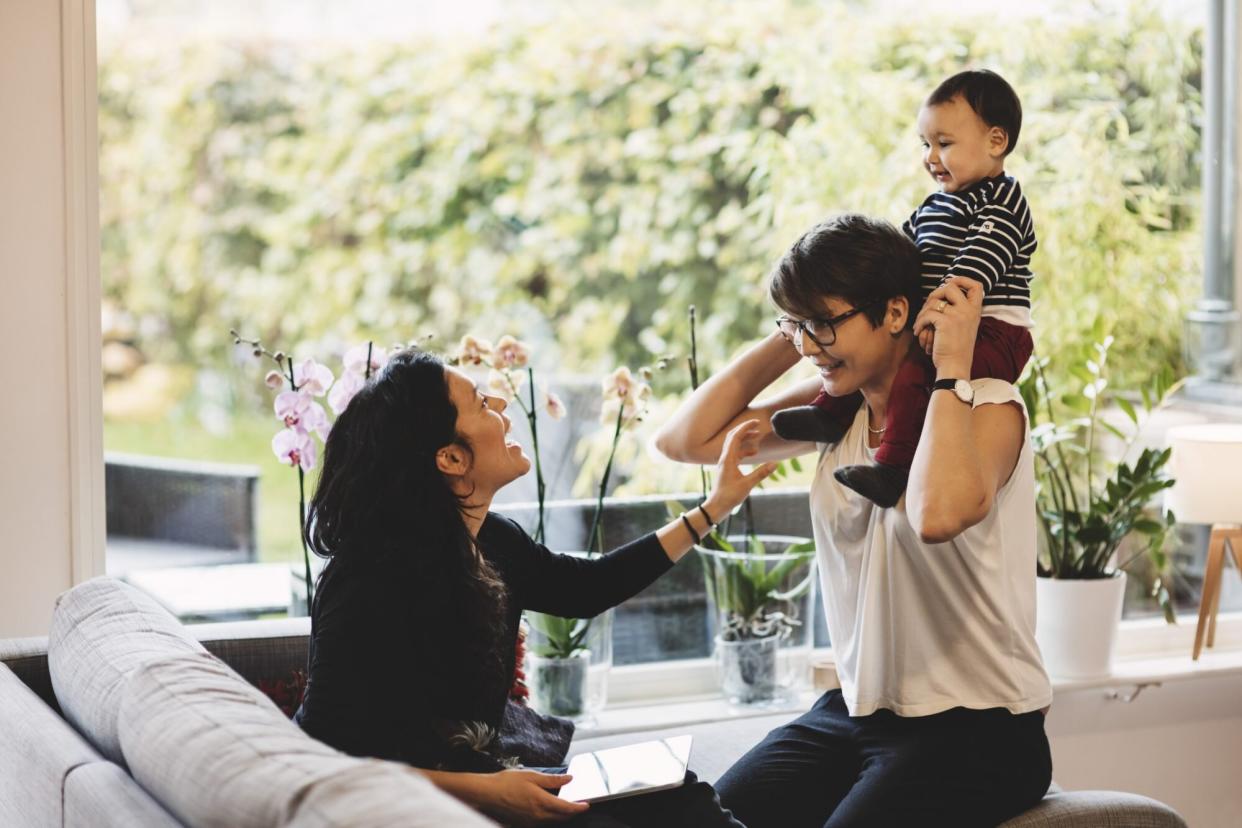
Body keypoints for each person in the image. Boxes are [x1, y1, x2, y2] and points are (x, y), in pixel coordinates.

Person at [655, 214, 1053, 827]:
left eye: (825, 322)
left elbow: (935, 514)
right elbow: (685, 439)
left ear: (896, 313)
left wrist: (949, 368)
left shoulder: (987, 405)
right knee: (697, 821)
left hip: (980, 728)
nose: (810, 345)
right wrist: (800, 330)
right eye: (800, 325)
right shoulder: (836, 415)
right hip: (854, 713)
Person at [294, 347, 767, 827]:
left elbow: (588, 588)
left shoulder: (493, 541)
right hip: (417, 812)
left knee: (683, 797)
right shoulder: (364, 582)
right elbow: (325, 760)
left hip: (489, 782)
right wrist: (488, 793)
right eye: (481, 403)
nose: (501, 406)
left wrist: (714, 508)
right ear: (452, 458)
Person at [771, 69, 1037, 508]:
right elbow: (899, 254)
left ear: (996, 141)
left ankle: (892, 469)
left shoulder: (1003, 202)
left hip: (992, 331)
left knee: (915, 372)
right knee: (872, 354)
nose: (931, 156)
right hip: (943, 320)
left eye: (944, 144)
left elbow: (976, 267)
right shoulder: (935, 205)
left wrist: (936, 311)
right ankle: (828, 413)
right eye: (925, 144)